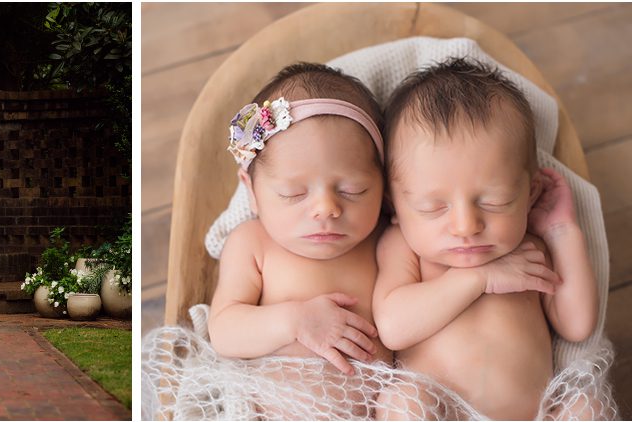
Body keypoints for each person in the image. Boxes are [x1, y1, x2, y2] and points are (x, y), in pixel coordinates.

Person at [372, 58, 598, 420]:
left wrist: (561, 232)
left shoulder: (530, 248)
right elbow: (393, 328)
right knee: (404, 400)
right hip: (442, 412)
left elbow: (577, 324)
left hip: (536, 415)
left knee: (587, 406)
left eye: (495, 202)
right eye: (433, 207)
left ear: (529, 193)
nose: (466, 225)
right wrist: (478, 279)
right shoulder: (404, 247)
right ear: (393, 205)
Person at [208, 63, 391, 379]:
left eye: (353, 190)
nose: (326, 209)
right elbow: (224, 331)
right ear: (251, 190)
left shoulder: (386, 239)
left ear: (384, 184)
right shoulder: (252, 242)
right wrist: (294, 321)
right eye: (293, 193)